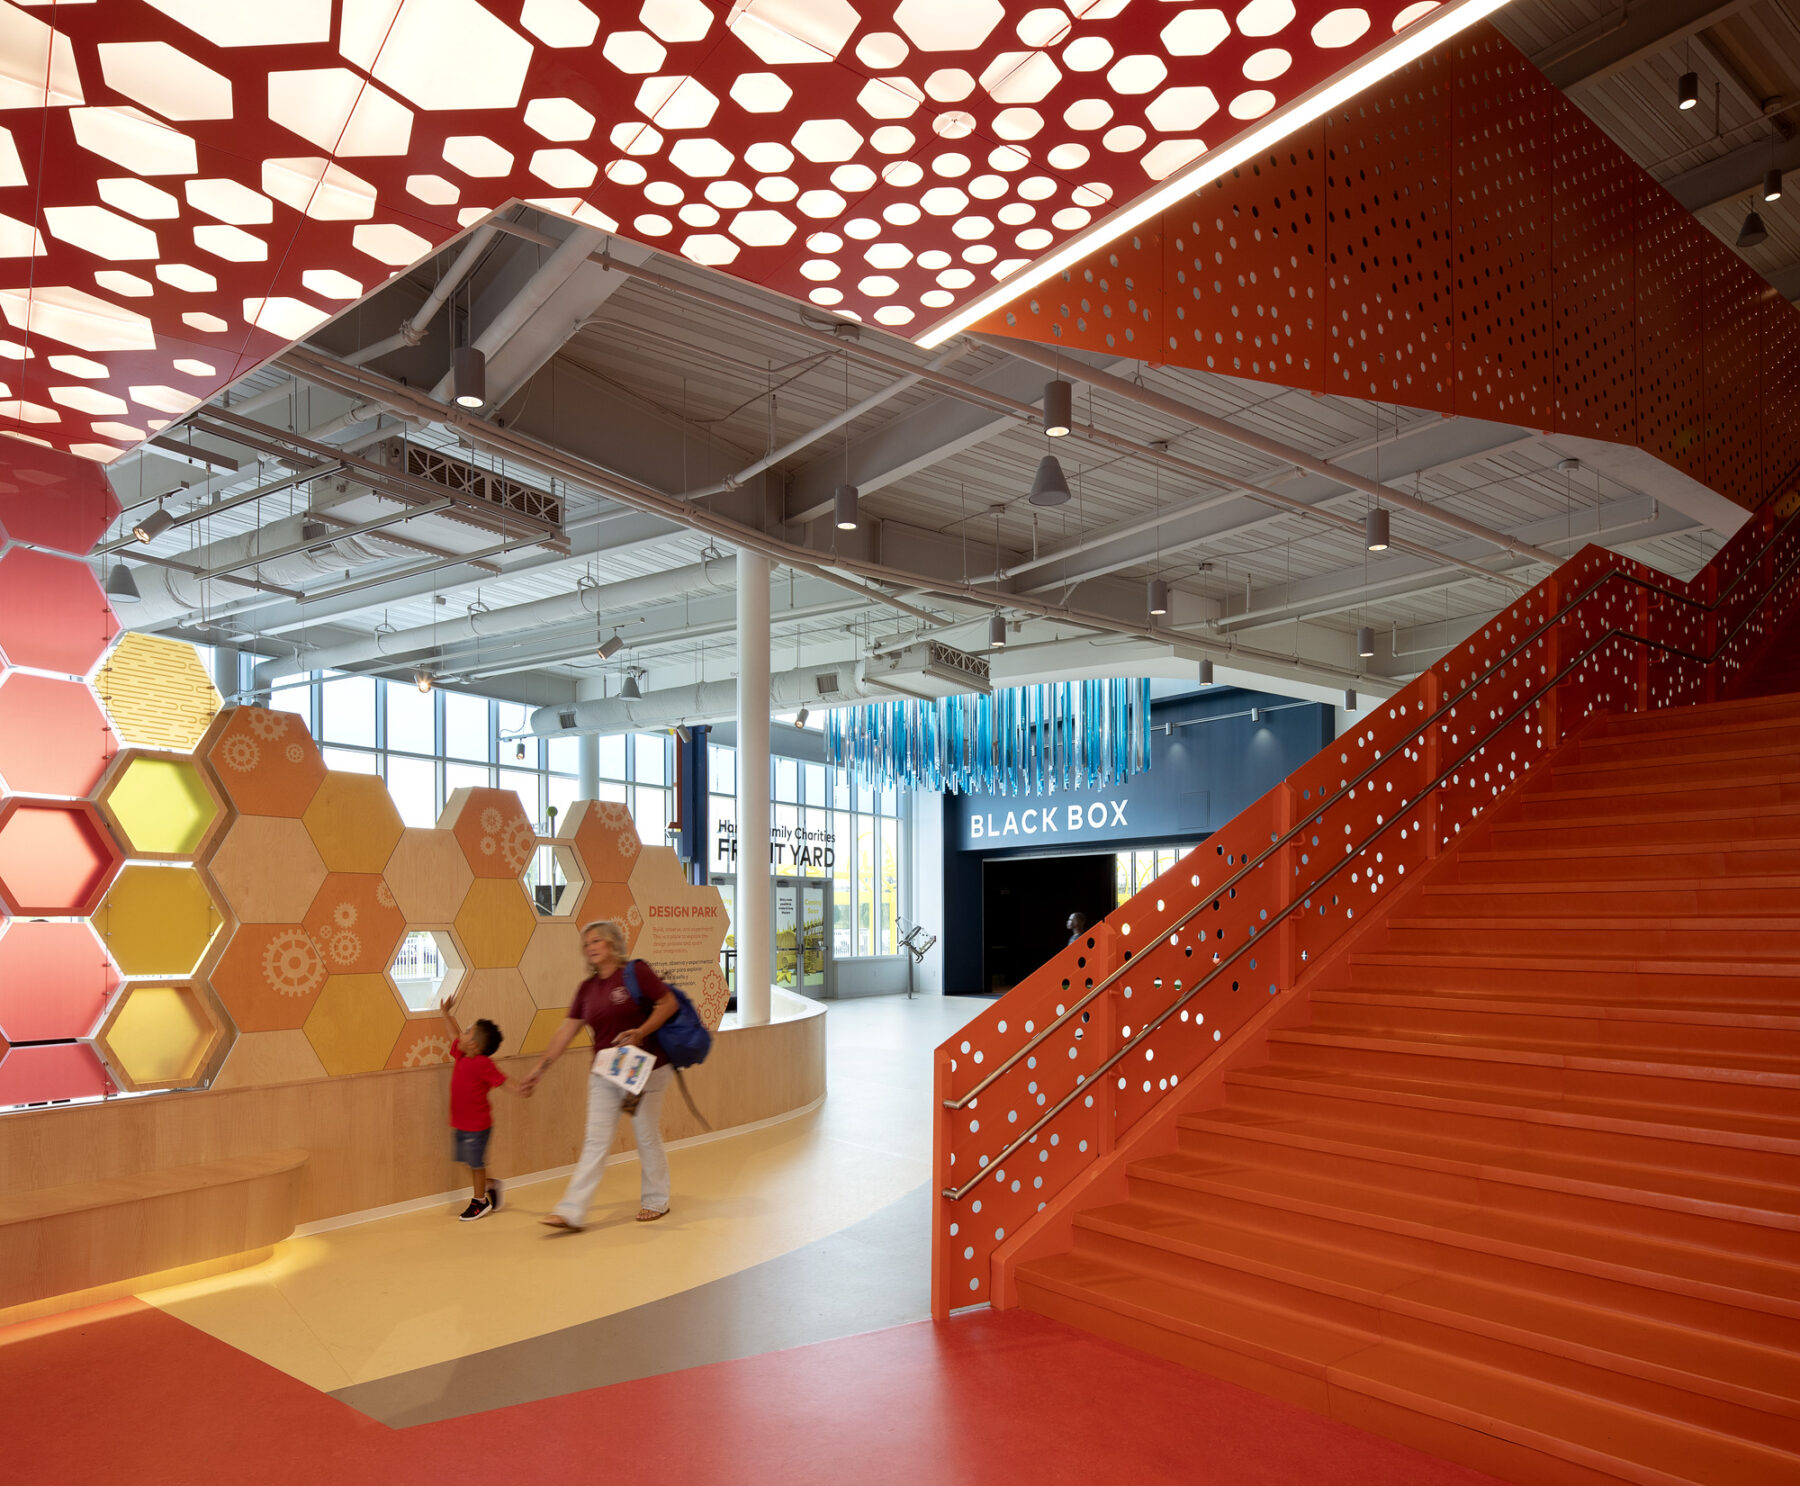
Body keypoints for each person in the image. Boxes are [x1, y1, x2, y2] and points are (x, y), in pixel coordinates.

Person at [519, 919, 680, 1232]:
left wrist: (641, 1032)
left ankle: (657, 1201)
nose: (590, 947)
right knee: (595, 1140)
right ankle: (571, 1212)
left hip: (646, 1068)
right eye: (586, 943)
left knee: (646, 1135)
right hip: (606, 1070)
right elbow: (566, 1031)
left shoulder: (635, 972)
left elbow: (668, 1003)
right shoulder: (587, 989)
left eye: (596, 941)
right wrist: (539, 1070)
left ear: (612, 943)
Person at [440, 990, 509, 1221]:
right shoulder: (462, 1054)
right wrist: (445, 1013)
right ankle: (490, 1185)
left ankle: (480, 1202)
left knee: (476, 1163)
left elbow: (503, 1081)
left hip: (478, 1125)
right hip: (460, 1122)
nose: (463, 1033)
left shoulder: (482, 1063)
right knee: (468, 1162)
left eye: (469, 1032)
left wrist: (523, 1088)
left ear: (476, 1045)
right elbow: (453, 1034)